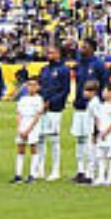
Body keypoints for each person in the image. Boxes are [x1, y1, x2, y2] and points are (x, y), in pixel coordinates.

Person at [36, 43, 71, 181]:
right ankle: (40, 168)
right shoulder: (44, 69)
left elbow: (65, 90)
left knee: (54, 139)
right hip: (42, 108)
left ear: (58, 54)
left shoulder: (63, 70)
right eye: (48, 53)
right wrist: (40, 101)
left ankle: (55, 170)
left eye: (52, 53)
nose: (49, 55)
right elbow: (40, 87)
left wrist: (51, 102)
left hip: (55, 109)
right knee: (40, 138)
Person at [13, 77, 45, 184]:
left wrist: (28, 129)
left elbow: (37, 116)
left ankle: (32, 174)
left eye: (34, 85)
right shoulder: (23, 99)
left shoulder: (39, 99)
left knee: (33, 148)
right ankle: (18, 174)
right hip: (23, 124)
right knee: (20, 149)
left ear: (38, 87)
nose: (31, 87)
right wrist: (19, 128)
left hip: (32, 125)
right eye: (29, 85)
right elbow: (18, 113)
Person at [89, 81, 111, 187]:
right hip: (101, 134)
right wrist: (99, 130)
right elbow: (97, 118)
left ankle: (110, 177)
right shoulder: (102, 106)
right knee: (100, 155)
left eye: (105, 91)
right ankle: (101, 176)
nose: (103, 93)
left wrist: (107, 131)